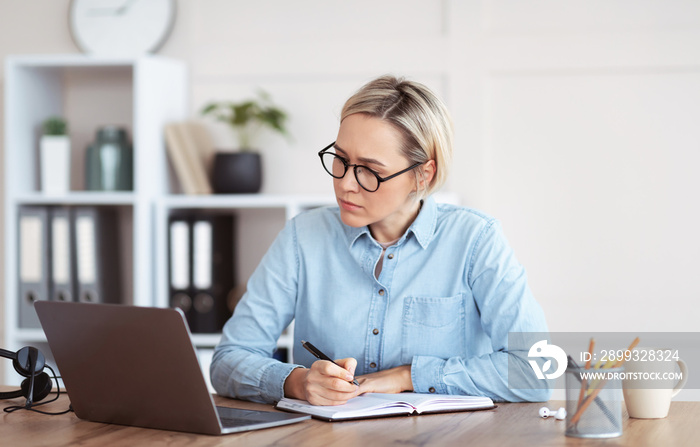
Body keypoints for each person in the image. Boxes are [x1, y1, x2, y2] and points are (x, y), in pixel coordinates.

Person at [211, 75, 551, 405]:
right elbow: (229, 359)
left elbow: (536, 371)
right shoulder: (303, 237)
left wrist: (409, 376)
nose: (346, 184)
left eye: (370, 171)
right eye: (341, 160)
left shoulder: (476, 240)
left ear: (423, 174)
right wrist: (297, 383)